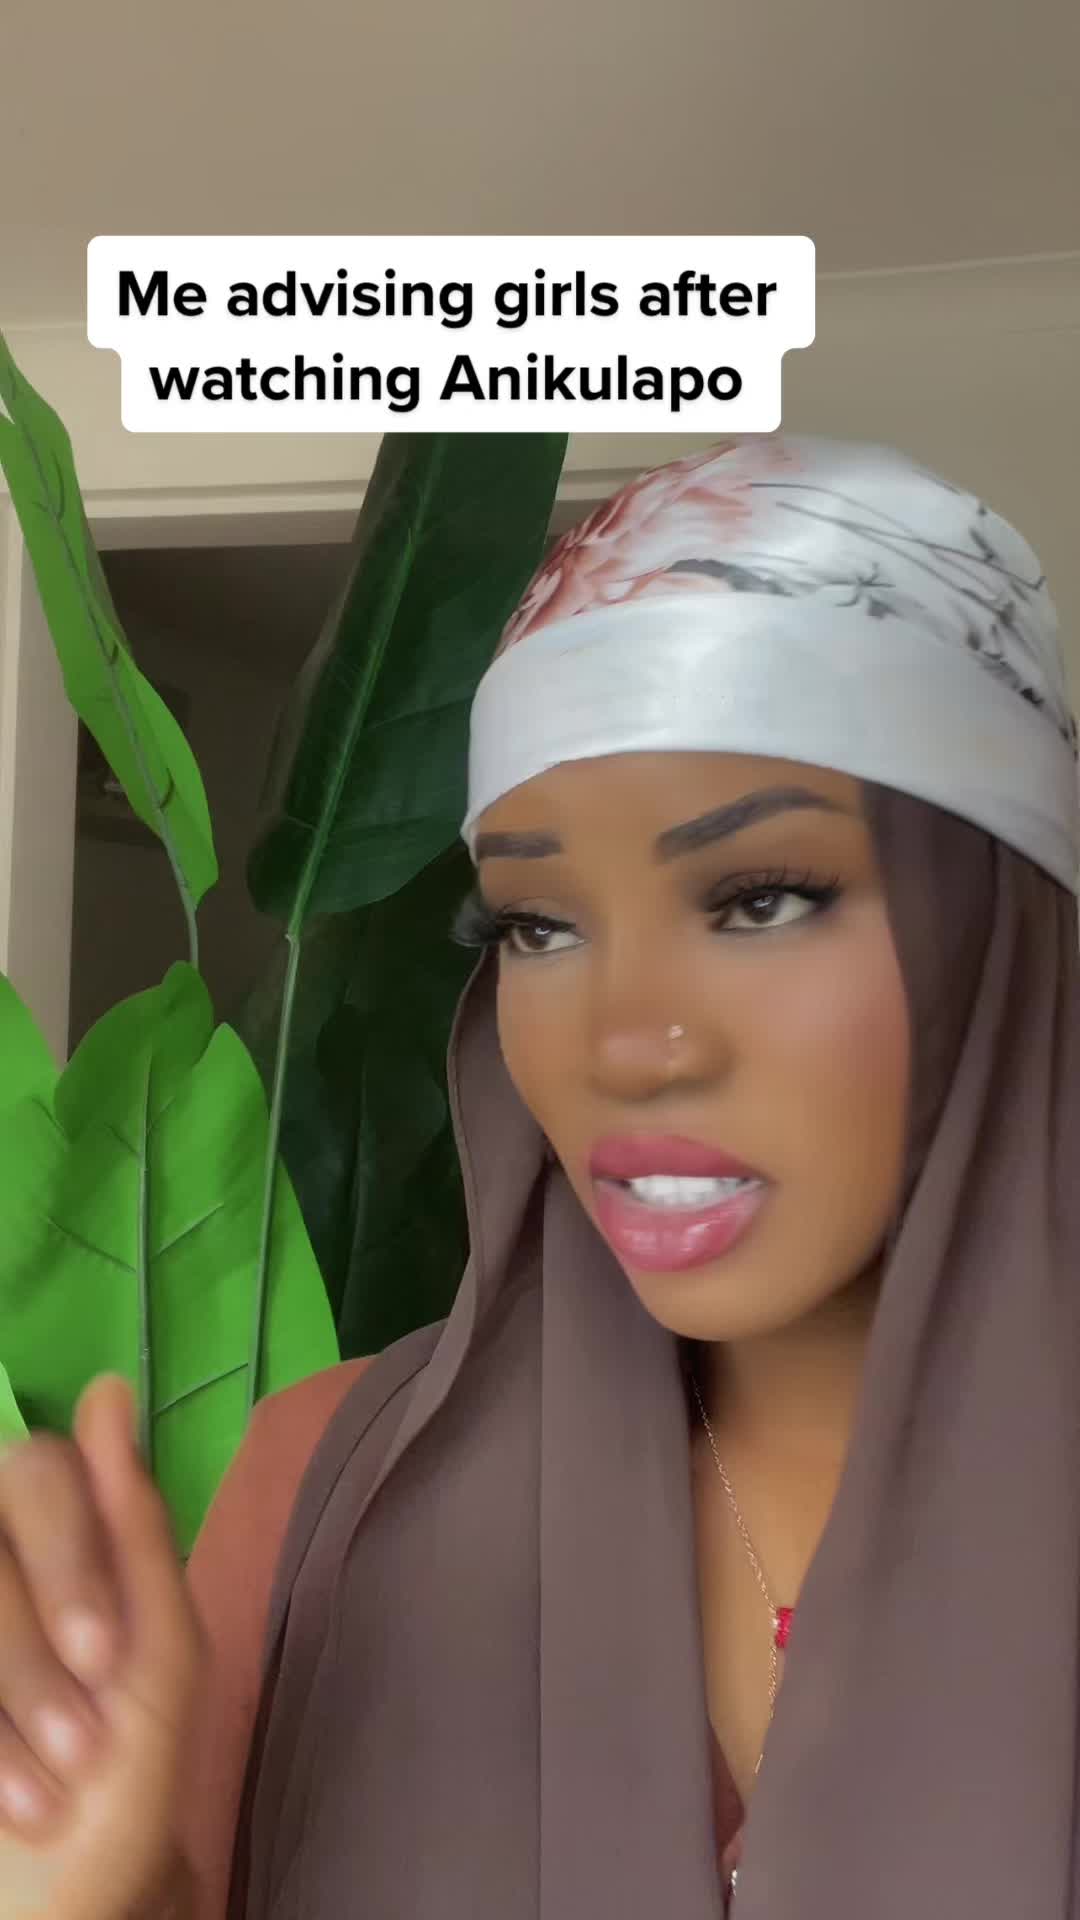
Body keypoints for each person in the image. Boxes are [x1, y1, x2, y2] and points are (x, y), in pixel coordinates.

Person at [0, 434, 1076, 1920]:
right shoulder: (327, 1482)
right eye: (537, 926)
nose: (623, 1044)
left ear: (996, 931)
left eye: (761, 898)